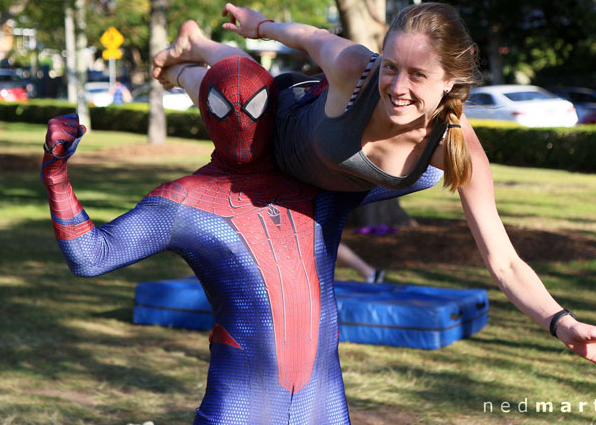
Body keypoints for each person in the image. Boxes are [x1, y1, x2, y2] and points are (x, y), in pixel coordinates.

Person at [152, 3, 596, 380]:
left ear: (451, 80)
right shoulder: (354, 69)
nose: (397, 87)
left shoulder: (457, 148)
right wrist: (260, 27)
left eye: (418, 75)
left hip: (333, 182)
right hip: (280, 130)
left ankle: (193, 44)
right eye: (391, 67)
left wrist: (563, 323)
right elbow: (312, 38)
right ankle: (187, 56)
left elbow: (505, 262)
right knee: (240, 91)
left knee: (424, 172)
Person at [41, 56, 441, 424]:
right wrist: (56, 176)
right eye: (220, 108)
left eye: (254, 108)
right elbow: (91, 257)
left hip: (321, 400)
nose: (239, 121)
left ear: (273, 108)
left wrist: (415, 95)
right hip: (243, 403)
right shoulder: (185, 200)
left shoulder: (318, 183)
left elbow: (431, 169)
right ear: (206, 112)